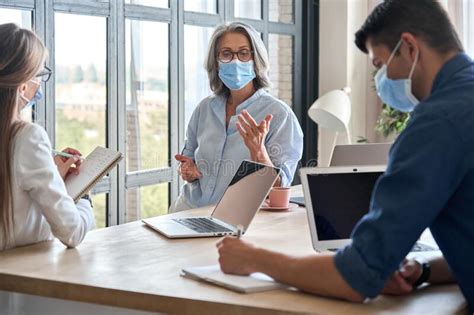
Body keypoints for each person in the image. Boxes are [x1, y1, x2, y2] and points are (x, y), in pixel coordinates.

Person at [216, 0, 474, 310]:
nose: (382, 81)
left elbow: (356, 276)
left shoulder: (436, 124)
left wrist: (254, 258)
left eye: (380, 64)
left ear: (408, 47)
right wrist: (424, 270)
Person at [171, 22, 303, 212]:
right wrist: (187, 170)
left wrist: (258, 151)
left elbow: (279, 189)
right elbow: (188, 156)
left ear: (255, 58)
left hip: (236, 218)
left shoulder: (279, 115)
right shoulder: (205, 109)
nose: (235, 61)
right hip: (186, 209)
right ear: (216, 62)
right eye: (226, 54)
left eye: (243, 53)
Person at [0, 23, 95, 251]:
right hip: (23, 280)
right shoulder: (27, 137)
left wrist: (54, 177)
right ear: (22, 87)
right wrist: (83, 194)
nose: (40, 84)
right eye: (40, 74)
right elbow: (72, 232)